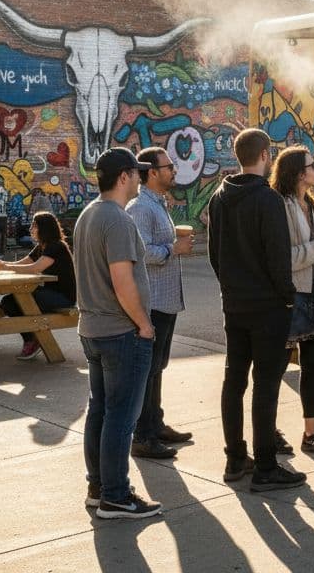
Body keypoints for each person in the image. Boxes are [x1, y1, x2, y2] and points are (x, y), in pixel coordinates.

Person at [208, 128, 307, 492]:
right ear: (265, 155)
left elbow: (215, 254)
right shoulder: (267, 200)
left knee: (234, 381)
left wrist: (231, 287)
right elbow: (277, 257)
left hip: (235, 304)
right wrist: (286, 297)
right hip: (268, 306)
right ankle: (266, 465)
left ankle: (235, 457)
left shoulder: (219, 197)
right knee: (266, 384)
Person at [73, 147, 162, 520]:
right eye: (138, 173)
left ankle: (98, 487)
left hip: (92, 329)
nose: (142, 178)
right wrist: (143, 323)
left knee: (101, 412)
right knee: (121, 418)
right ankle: (115, 495)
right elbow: (123, 280)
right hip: (120, 332)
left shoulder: (87, 215)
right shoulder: (119, 221)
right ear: (123, 177)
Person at [271, 146, 314, 458]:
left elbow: (311, 252)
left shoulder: (309, 203)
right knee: (279, 366)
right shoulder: (281, 206)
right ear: (299, 173)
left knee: (312, 365)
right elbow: (285, 258)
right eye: (313, 166)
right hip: (293, 294)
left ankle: (311, 432)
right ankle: (268, 429)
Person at [128, 147, 195, 459]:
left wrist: (173, 247)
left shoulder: (157, 203)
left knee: (158, 367)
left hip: (165, 300)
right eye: (169, 166)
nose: (174, 170)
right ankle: (142, 435)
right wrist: (173, 249)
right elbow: (141, 253)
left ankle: (155, 423)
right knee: (148, 369)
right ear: (152, 172)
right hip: (152, 301)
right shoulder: (141, 207)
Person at [0, 212, 76, 361]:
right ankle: (31, 340)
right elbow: (23, 263)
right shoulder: (42, 247)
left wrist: (5, 267)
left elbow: (35, 268)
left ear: (44, 228)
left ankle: (34, 340)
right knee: (8, 302)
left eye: (34, 226)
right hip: (47, 293)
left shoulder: (56, 246)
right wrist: (1, 265)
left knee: (21, 300)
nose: (30, 229)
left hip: (63, 298)